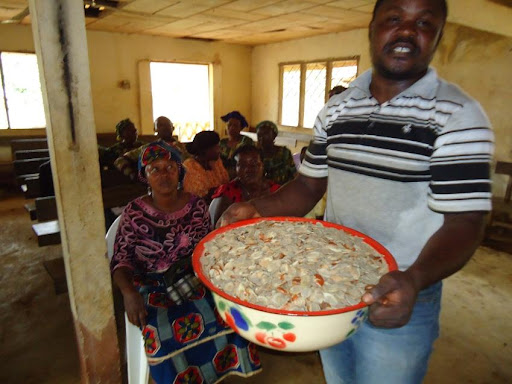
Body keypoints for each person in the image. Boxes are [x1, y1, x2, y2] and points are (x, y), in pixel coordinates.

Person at [218, 0, 494, 383]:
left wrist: (413, 279)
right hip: (332, 282)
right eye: (394, 18)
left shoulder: (458, 116)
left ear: (439, 35)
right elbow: (308, 184)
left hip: (404, 288)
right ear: (373, 27)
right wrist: (257, 208)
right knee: (340, 377)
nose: (407, 31)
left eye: (424, 22)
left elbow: (466, 221)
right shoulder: (337, 110)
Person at [110, 141, 262, 384]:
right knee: (161, 329)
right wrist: (128, 293)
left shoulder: (196, 206)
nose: (164, 175)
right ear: (145, 176)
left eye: (170, 167)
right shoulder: (134, 212)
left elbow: (208, 250)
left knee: (232, 312)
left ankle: (217, 373)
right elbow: (120, 260)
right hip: (150, 284)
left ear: (180, 171)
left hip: (192, 275)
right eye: (155, 169)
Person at [209, 145, 281, 226]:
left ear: (262, 165)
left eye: (254, 164)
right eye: (242, 165)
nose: (248, 170)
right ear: (235, 169)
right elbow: (218, 227)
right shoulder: (227, 192)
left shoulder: (277, 191)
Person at [114, 116, 187, 180]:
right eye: (160, 125)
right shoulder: (149, 148)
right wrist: (133, 174)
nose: (164, 128)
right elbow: (120, 161)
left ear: (173, 127)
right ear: (155, 130)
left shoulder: (183, 148)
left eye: (167, 125)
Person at [183, 130, 229, 203]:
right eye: (216, 147)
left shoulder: (216, 161)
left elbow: (226, 182)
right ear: (205, 150)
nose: (220, 150)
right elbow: (198, 197)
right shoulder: (190, 166)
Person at [256, 120, 296, 185]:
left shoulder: (284, 153)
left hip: (283, 190)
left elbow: (294, 174)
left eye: (265, 134)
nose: (262, 138)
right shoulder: (255, 154)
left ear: (274, 135)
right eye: (259, 135)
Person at [219, 111, 254, 179]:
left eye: (235, 125)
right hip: (223, 175)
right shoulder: (222, 142)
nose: (231, 128)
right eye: (229, 125)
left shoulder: (246, 141)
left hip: (242, 176)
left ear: (241, 128)